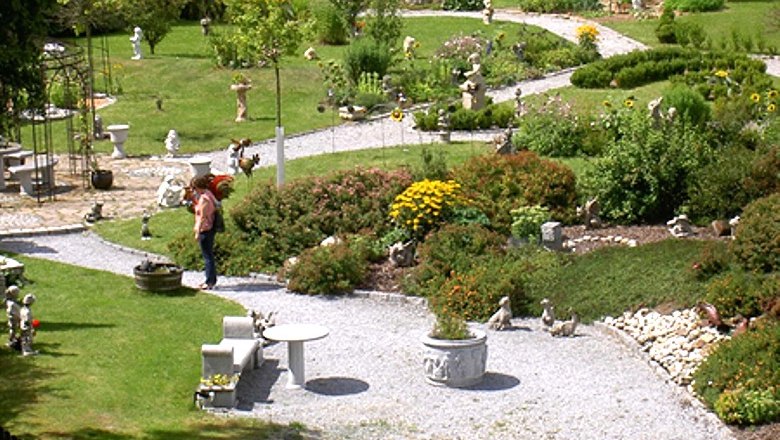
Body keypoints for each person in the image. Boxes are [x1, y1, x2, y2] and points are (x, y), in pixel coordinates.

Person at [191, 175, 218, 289]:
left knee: (207, 256)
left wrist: (197, 232)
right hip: (210, 227)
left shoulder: (204, 199)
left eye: (194, 188)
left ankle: (209, 281)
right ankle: (210, 279)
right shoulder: (209, 194)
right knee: (209, 255)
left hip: (205, 229)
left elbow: (202, 216)